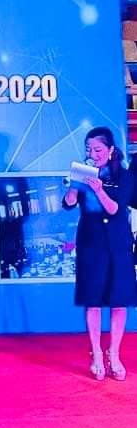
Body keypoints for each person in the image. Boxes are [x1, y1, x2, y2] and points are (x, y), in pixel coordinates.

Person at [63, 127, 134, 381]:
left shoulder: (124, 175)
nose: (93, 154)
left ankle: (114, 354)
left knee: (118, 299)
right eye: (89, 149)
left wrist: (99, 189)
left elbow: (115, 209)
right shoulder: (84, 172)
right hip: (90, 242)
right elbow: (69, 203)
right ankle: (96, 353)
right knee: (92, 299)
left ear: (110, 150)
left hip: (117, 243)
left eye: (98, 150)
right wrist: (75, 184)